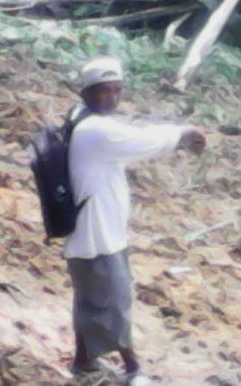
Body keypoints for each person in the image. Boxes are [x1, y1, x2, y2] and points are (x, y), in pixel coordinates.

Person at [63, 56, 206, 384]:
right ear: (87, 93)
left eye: (117, 90)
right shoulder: (96, 129)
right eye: (104, 91)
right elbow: (143, 142)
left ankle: (83, 361)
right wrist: (183, 133)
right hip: (98, 235)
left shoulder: (81, 118)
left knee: (90, 300)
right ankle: (133, 370)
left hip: (91, 232)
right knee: (115, 301)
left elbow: (132, 133)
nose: (112, 97)